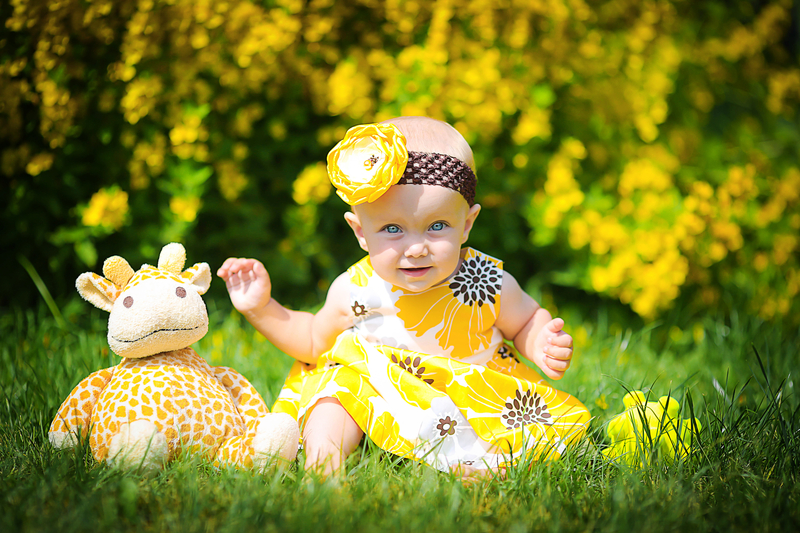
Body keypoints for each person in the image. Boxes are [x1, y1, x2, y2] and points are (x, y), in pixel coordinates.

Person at [217, 116, 590, 477]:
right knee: (335, 389)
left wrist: (540, 341)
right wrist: (261, 308)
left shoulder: (486, 282)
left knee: (506, 429)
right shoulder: (355, 289)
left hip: (464, 395)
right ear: (360, 232)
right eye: (392, 229)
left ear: (467, 224)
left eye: (437, 226)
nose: (415, 248)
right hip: (381, 393)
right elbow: (314, 342)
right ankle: (324, 466)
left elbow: (525, 320)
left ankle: (481, 467)